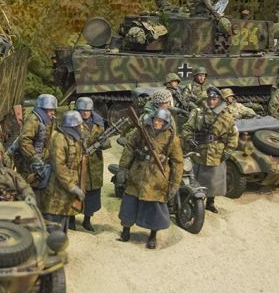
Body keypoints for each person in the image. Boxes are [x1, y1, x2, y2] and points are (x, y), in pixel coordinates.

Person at [116, 108, 184, 249]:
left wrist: (175, 184)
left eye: (161, 121)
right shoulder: (141, 131)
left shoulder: (172, 138)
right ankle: (125, 231)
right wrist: (122, 169)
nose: (157, 123)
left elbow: (177, 162)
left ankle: (153, 236)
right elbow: (129, 148)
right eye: (155, 120)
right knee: (129, 204)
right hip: (138, 173)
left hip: (157, 178)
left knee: (155, 210)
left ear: (166, 123)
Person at [181, 87, 238, 213]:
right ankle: (196, 202)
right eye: (209, 99)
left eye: (214, 99)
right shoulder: (198, 113)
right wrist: (189, 139)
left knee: (214, 179)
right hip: (199, 151)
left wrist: (228, 151)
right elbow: (187, 128)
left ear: (219, 100)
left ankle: (210, 202)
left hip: (217, 152)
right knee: (195, 178)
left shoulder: (226, 116)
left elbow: (233, 135)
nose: (211, 101)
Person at [40, 111, 85, 234]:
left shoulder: (72, 138)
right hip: (55, 193)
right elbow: (59, 166)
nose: (81, 127)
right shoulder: (59, 139)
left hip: (65, 195)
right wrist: (72, 187)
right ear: (73, 125)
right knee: (54, 229)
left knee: (62, 228)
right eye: (79, 125)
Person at [75, 97, 110, 232]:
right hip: (78, 163)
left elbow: (106, 143)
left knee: (92, 193)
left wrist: (103, 142)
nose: (85, 113)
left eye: (88, 110)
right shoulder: (72, 122)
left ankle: (87, 220)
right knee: (75, 190)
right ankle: (71, 219)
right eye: (82, 110)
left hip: (94, 164)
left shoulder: (98, 123)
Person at [15, 94, 58, 193]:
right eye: (50, 110)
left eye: (53, 110)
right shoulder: (33, 120)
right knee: (30, 186)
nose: (52, 112)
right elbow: (24, 141)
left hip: (43, 158)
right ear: (42, 109)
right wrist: (34, 158)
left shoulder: (49, 120)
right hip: (30, 161)